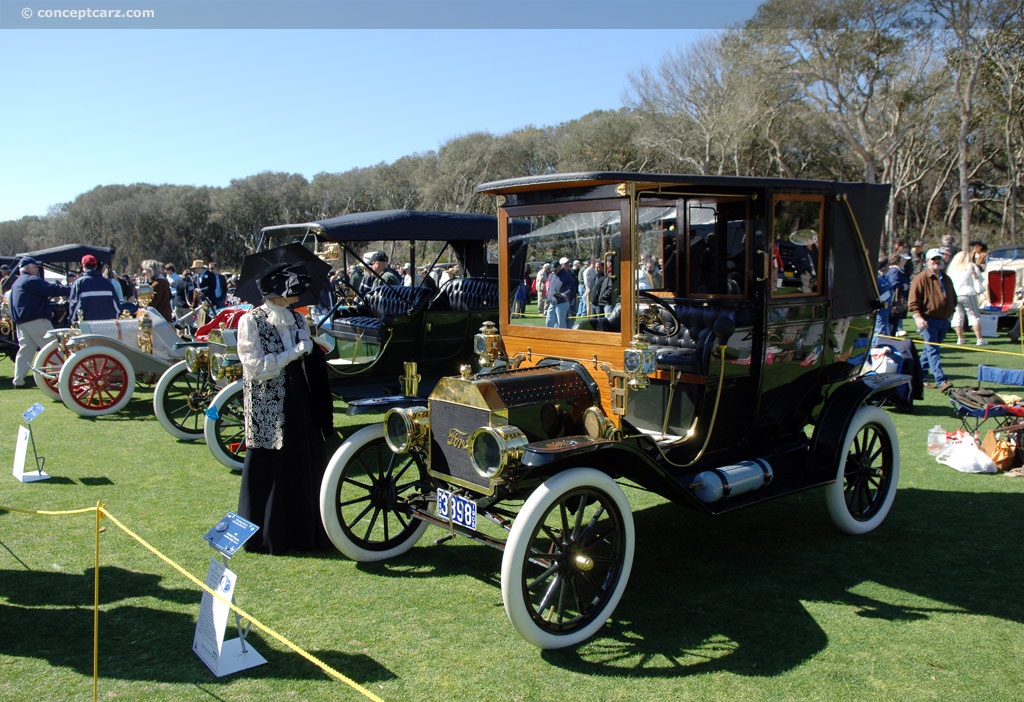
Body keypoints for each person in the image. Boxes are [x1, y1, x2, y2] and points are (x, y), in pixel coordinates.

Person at [236, 262, 334, 555]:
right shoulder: (251, 321)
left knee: (302, 459)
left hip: (299, 397)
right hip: (267, 402)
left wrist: (309, 346)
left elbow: (306, 355)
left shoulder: (298, 319)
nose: (297, 297)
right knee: (269, 462)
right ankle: (267, 534)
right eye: (291, 292)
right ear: (274, 293)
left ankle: (306, 531)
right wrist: (291, 354)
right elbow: (255, 368)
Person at [10, 257, 71, 388]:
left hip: (21, 322)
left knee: (25, 350)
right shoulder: (31, 280)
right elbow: (51, 289)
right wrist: (72, 290)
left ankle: (18, 381)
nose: (37, 269)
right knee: (54, 347)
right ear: (28, 268)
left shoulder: (17, 282)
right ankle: (64, 376)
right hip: (36, 320)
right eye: (35, 267)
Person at [908, 247, 957, 392]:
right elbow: (913, 301)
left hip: (943, 320)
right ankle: (941, 380)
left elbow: (953, 298)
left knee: (929, 350)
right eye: (933, 259)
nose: (936, 261)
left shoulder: (946, 278)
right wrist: (918, 317)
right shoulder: (921, 278)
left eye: (938, 259)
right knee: (933, 350)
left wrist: (950, 312)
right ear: (927, 261)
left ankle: (920, 376)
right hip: (928, 319)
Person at [947, 250, 987, 346]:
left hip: (956, 294)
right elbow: (980, 278)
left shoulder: (953, 268)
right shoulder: (971, 266)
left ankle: (960, 338)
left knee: (958, 315)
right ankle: (979, 338)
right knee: (974, 315)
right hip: (969, 293)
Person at [68, 254, 121, 322]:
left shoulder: (79, 283)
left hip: (86, 326)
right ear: (96, 266)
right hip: (107, 324)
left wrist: (73, 321)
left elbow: (74, 305)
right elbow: (116, 306)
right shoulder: (107, 283)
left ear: (83, 266)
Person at [884, 253, 910, 337]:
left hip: (894, 304)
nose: (905, 261)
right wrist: (906, 286)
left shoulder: (897, 270)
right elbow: (893, 285)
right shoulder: (894, 271)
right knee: (891, 327)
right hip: (893, 303)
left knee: (893, 327)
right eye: (903, 259)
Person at [545, 257, 575, 328]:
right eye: (553, 270)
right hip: (553, 301)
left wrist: (561, 295)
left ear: (559, 267)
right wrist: (549, 295)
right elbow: (549, 287)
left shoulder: (567, 275)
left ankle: (562, 337)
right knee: (549, 322)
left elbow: (571, 289)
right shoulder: (552, 275)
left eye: (555, 270)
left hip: (562, 303)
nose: (554, 271)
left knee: (561, 324)